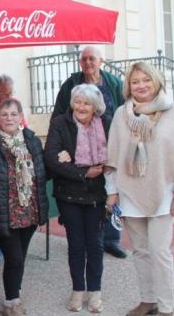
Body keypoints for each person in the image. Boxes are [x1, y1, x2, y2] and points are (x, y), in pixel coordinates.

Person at [105, 61, 174, 316]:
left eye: (146, 80)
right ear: (129, 86)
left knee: (160, 252)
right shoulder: (121, 116)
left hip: (163, 193)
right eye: (135, 82)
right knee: (140, 251)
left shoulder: (173, 113)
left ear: (156, 82)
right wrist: (111, 192)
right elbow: (113, 156)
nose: (141, 85)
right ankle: (148, 300)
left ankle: (166, 308)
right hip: (130, 193)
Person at [51, 46, 127, 259]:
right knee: (85, 194)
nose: (87, 63)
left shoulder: (113, 82)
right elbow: (58, 114)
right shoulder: (71, 84)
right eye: (83, 59)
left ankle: (111, 240)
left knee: (110, 193)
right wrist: (62, 145)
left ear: (101, 60)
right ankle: (85, 239)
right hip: (79, 147)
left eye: (91, 59)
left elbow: (124, 110)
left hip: (108, 144)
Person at [0, 98, 48, 316]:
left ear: (20, 116)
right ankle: (11, 303)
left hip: (29, 209)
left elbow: (42, 171)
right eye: (4, 114)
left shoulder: (31, 140)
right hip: (4, 212)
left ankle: (14, 296)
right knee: (14, 258)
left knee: (19, 257)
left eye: (13, 114)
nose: (9, 118)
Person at [44, 84, 110, 314]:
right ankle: (77, 290)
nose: (81, 107)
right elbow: (52, 158)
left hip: (97, 195)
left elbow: (114, 156)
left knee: (95, 244)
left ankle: (95, 292)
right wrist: (83, 172)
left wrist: (70, 160)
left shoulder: (105, 124)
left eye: (87, 103)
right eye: (78, 101)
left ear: (95, 107)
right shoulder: (60, 123)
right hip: (69, 195)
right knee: (76, 244)